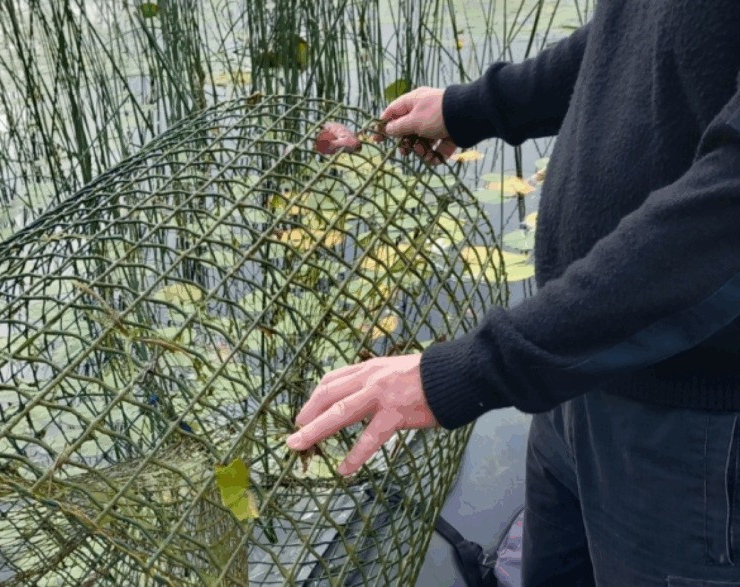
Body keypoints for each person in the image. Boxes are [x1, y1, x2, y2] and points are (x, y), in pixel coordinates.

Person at [284, 2, 740, 585]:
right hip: (572, 380)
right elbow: (634, 34)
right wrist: (475, 107)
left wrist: (478, 369)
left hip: (690, 433)